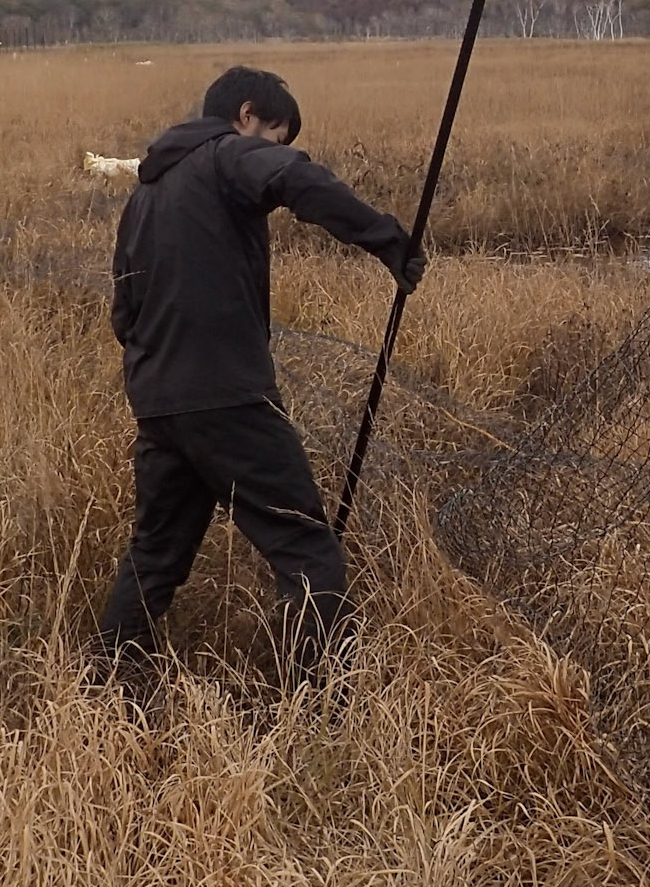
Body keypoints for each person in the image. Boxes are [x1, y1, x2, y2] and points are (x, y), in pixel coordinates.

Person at [97, 65, 425, 687]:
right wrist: (389, 241)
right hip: (228, 397)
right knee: (306, 547)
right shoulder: (227, 155)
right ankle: (323, 704)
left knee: (154, 557)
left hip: (159, 405)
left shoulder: (145, 197)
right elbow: (295, 177)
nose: (275, 148)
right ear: (246, 115)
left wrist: (167, 365)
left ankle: (108, 688)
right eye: (275, 135)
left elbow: (124, 313)